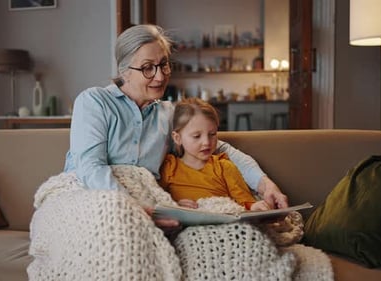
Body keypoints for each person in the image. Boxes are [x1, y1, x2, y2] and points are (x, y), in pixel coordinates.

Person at [64, 24, 288, 230]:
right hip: (91, 195)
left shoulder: (169, 114)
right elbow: (90, 167)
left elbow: (221, 149)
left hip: (150, 204)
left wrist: (265, 185)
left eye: (163, 64)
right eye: (147, 68)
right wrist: (134, 208)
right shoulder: (94, 101)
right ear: (124, 71)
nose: (160, 76)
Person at [159, 97, 270, 211]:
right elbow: (158, 201)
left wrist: (255, 206)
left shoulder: (224, 167)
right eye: (197, 136)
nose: (207, 142)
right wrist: (175, 204)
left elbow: (245, 202)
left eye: (212, 134)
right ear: (177, 138)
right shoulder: (169, 167)